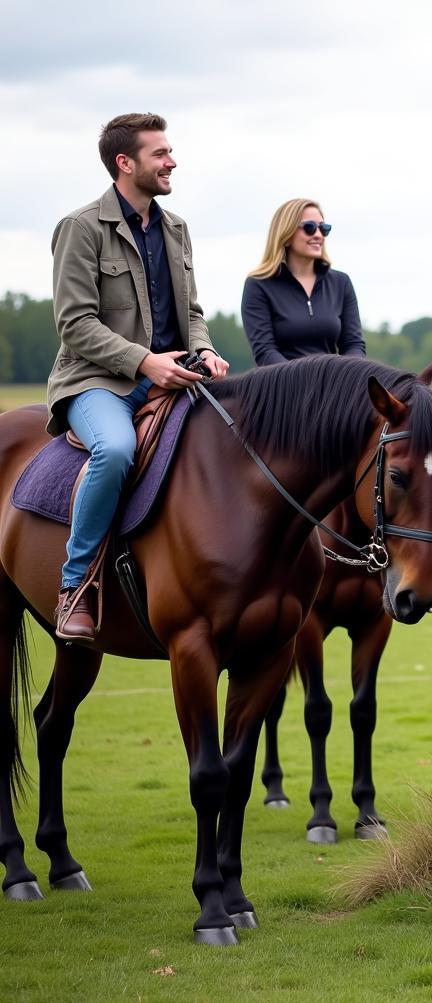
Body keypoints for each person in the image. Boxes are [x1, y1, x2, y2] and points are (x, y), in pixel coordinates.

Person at [48, 112, 229, 643]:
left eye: (170, 151)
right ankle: (76, 586)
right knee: (117, 451)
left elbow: (192, 311)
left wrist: (205, 349)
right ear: (125, 163)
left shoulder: (176, 229)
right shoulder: (80, 228)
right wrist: (145, 362)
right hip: (96, 383)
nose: (172, 161)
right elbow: (75, 324)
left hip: (177, 373)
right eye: (160, 153)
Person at [241, 199, 365, 366]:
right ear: (285, 235)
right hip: (282, 385)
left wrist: (343, 377)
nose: (318, 235)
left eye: (323, 228)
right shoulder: (258, 285)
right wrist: (309, 380)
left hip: (334, 386)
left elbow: (353, 345)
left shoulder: (341, 283)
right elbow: (265, 352)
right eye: (309, 227)